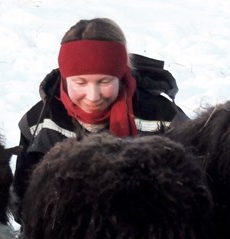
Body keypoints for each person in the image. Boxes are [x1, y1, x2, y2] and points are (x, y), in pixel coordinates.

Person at [11, 17, 190, 224]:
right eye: (80, 82)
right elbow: (23, 205)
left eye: (105, 81)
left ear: (121, 74)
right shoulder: (40, 124)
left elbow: (191, 188)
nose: (93, 95)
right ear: (65, 78)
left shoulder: (163, 118)